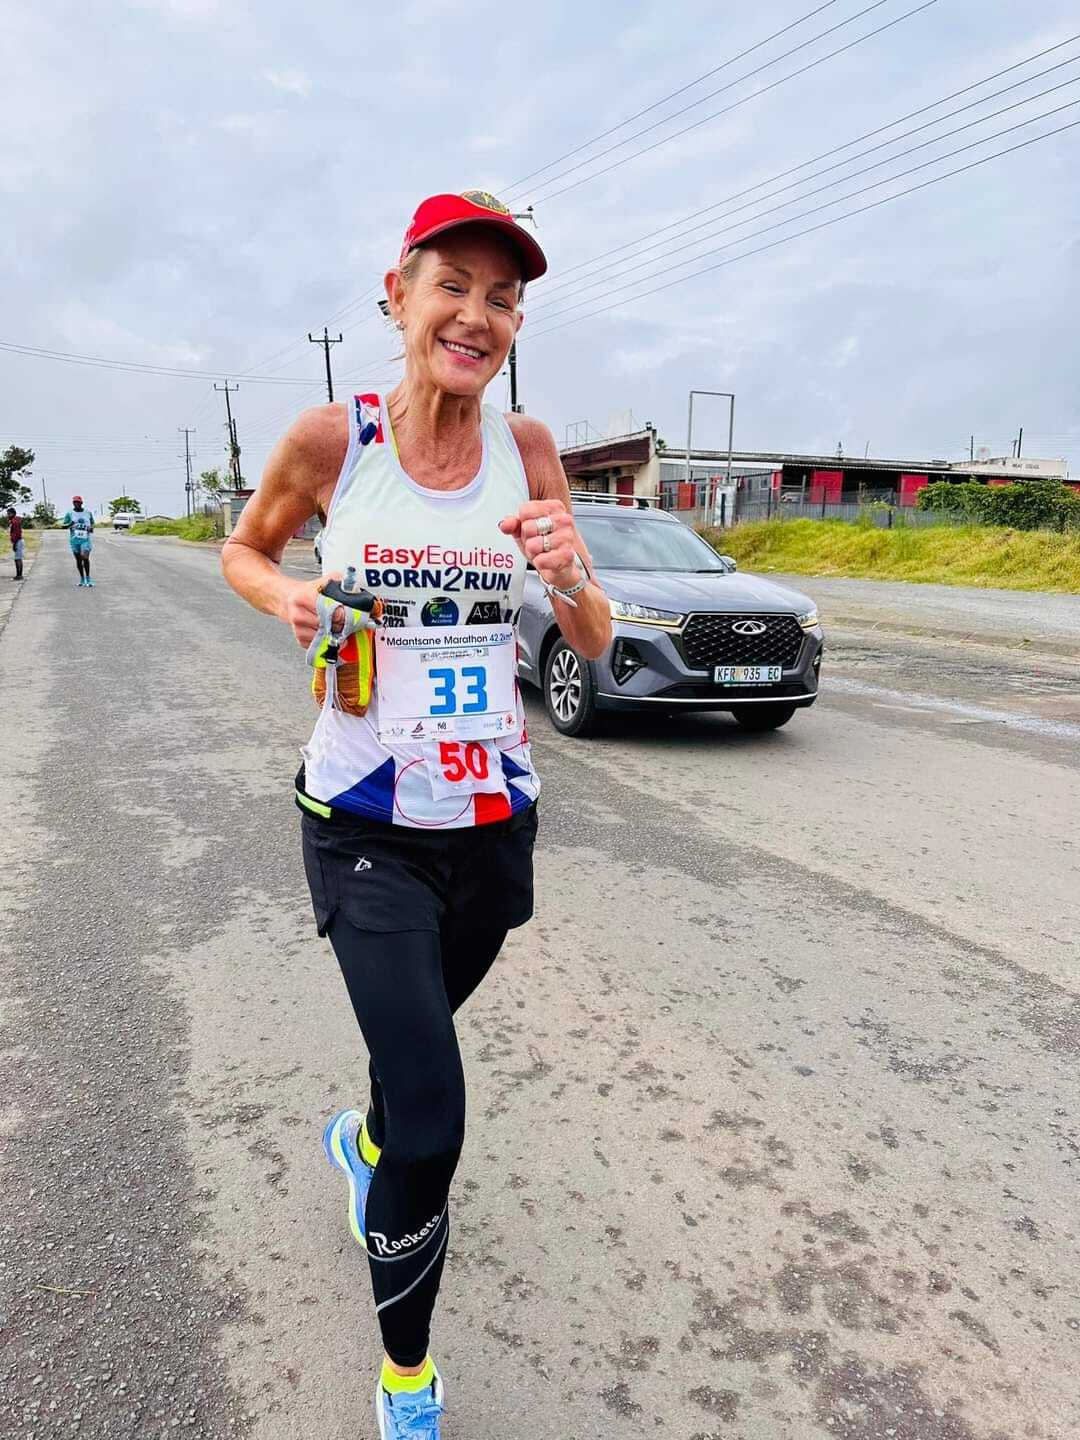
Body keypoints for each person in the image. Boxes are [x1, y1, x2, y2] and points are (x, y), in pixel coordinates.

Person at [222, 190, 610, 1438]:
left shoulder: (529, 447)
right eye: (454, 286)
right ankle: (407, 1380)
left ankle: (365, 1144)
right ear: (397, 297)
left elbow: (594, 637)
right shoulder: (335, 440)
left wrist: (569, 574)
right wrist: (285, 596)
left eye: (504, 299)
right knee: (434, 1115)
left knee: (413, 1056)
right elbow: (244, 548)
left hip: (491, 826)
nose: (477, 316)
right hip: (364, 822)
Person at [62, 496, 95, 586]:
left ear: (81, 503)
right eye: (74, 502)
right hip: (74, 540)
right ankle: (82, 579)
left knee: (85, 556)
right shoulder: (69, 513)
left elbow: (92, 522)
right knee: (78, 560)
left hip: (85, 540)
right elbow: (63, 526)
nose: (76, 503)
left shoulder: (88, 513)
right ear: (73, 503)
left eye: (78, 502)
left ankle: (88, 578)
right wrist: (70, 524)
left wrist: (91, 528)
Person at [6, 508, 24, 579]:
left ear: (13, 514)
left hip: (18, 541)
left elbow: (17, 534)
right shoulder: (14, 521)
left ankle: (19, 576)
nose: (8, 515)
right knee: (18, 558)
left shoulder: (15, 522)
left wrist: (14, 544)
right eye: (7, 514)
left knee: (17, 559)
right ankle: (19, 575)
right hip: (18, 541)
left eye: (9, 514)